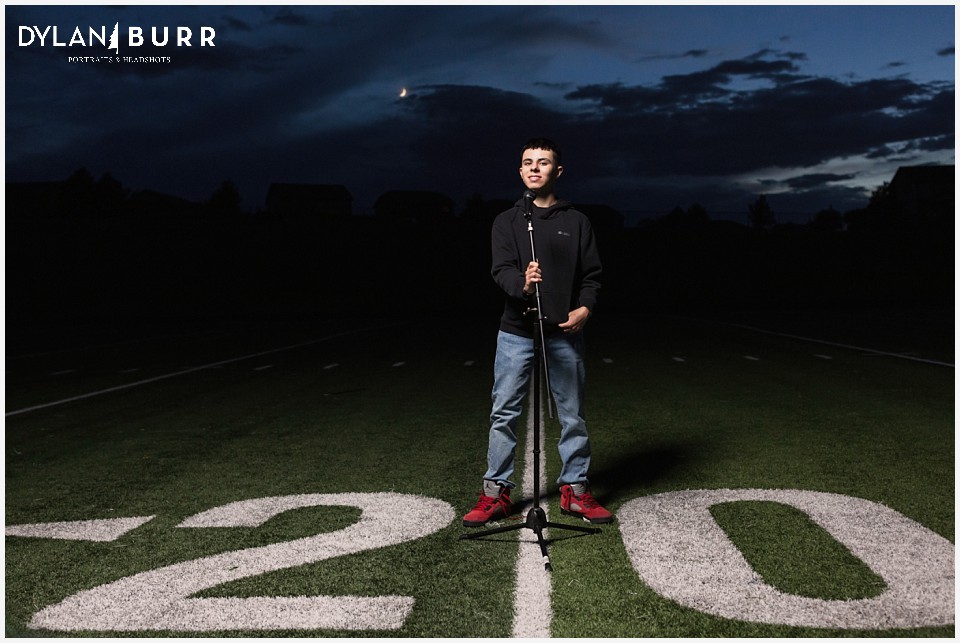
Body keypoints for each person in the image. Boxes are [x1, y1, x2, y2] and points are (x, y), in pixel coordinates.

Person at [463, 137, 613, 527]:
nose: (534, 168)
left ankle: (575, 491)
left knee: (572, 415)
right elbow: (501, 271)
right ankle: (495, 493)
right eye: (527, 162)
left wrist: (586, 307)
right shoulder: (507, 222)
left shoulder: (576, 222)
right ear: (520, 170)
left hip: (563, 332)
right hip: (517, 332)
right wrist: (523, 286)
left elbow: (592, 275)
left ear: (556, 171)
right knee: (504, 413)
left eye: (543, 162)